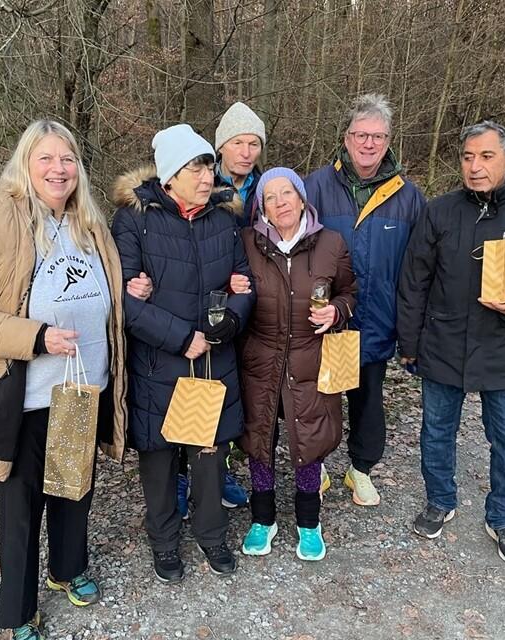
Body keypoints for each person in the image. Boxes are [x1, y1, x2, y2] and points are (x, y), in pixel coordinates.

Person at [0, 119, 150, 640]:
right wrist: (35, 337)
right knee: (21, 509)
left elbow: (103, 295)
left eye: (68, 159)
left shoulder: (89, 223)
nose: (59, 169)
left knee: (73, 490)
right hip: (24, 396)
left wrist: (132, 290)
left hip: (81, 388)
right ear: (25, 164)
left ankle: (68, 569)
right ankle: (18, 610)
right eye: (46, 158)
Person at [396, 120, 505, 566]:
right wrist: (410, 343)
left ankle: (503, 517)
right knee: (437, 433)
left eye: (486, 156)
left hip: (504, 346)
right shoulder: (438, 212)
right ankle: (439, 500)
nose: (475, 166)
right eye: (467, 157)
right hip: (443, 342)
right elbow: (414, 282)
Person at [111, 124, 255, 583]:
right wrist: (180, 338)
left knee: (209, 455)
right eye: (197, 168)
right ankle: (164, 542)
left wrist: (231, 321)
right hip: (159, 362)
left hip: (212, 359)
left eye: (210, 166)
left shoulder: (224, 218)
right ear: (170, 175)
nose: (208, 176)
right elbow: (124, 300)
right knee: (157, 458)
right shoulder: (134, 220)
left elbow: (243, 282)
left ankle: (213, 537)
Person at [304, 93, 426, 506]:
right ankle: (316, 466)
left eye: (378, 136)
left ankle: (360, 469)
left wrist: (410, 328)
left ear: (389, 141)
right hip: (325, 318)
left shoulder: (408, 197)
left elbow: (418, 267)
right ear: (346, 138)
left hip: (377, 319)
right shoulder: (316, 187)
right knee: (321, 398)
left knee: (368, 401)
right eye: (361, 135)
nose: (369, 143)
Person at [237, 168, 357, 561]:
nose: (280, 202)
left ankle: (309, 522)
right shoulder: (247, 243)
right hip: (261, 358)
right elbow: (228, 289)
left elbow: (350, 292)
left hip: (312, 358)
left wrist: (337, 311)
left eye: (286, 193)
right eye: (270, 197)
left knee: (310, 440)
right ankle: (263, 518)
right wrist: (232, 288)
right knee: (260, 440)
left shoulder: (331, 243)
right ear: (262, 208)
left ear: (302, 199)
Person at [171, 101, 266, 515]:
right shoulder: (199, 181)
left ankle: (219, 468)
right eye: (237, 143)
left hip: (247, 303)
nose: (246, 152)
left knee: (229, 393)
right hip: (202, 302)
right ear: (220, 147)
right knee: (191, 385)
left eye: (253, 144)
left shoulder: (266, 189)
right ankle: (181, 472)